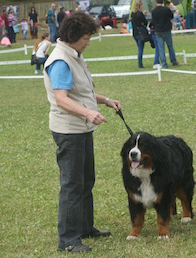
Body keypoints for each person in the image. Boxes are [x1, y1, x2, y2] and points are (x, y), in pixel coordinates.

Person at [43, 11, 121, 253]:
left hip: (82, 130)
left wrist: (105, 100)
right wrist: (88, 113)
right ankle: (67, 239)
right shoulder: (60, 61)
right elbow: (61, 99)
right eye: (86, 38)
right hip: (69, 132)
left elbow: (81, 92)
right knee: (72, 185)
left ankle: (86, 228)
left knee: (87, 181)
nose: (88, 42)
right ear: (72, 35)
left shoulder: (73, 56)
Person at [152, 0, 179, 69]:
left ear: (156, 2)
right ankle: (174, 61)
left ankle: (164, 64)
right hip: (167, 30)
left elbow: (153, 21)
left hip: (158, 31)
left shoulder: (153, 11)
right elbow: (171, 17)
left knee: (161, 48)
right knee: (170, 46)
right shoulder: (167, 10)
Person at [131, 0, 149, 68]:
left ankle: (140, 62)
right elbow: (145, 22)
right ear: (140, 6)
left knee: (139, 48)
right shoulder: (140, 13)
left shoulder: (133, 13)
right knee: (140, 49)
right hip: (140, 33)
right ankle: (140, 64)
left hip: (135, 33)